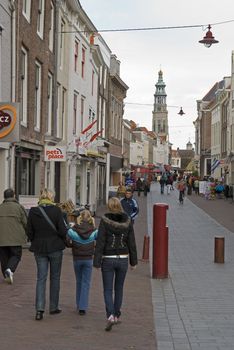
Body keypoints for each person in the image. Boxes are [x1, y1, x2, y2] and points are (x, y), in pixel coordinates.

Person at [93, 197, 138, 331]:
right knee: (119, 288)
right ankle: (117, 315)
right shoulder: (127, 220)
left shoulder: (105, 220)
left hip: (108, 258)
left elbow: (100, 241)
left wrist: (96, 261)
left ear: (109, 206)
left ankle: (110, 315)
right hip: (123, 258)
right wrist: (133, 261)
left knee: (107, 289)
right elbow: (131, 241)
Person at [26, 189, 67, 321]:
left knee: (41, 278)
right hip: (55, 247)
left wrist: (35, 240)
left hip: (39, 248)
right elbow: (62, 230)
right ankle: (53, 306)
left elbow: (29, 231)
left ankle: (39, 309)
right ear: (51, 197)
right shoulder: (56, 211)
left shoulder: (33, 211)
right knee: (55, 277)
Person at [66, 209, 98, 315]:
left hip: (77, 259)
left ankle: (78, 304)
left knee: (79, 281)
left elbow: (67, 239)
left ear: (79, 218)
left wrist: (72, 245)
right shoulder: (94, 230)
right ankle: (83, 307)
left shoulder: (73, 230)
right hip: (88, 259)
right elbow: (100, 240)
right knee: (86, 283)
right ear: (90, 218)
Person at [0, 188, 27, 284]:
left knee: (4, 257)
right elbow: (25, 222)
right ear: (13, 195)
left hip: (1, 238)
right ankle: (10, 270)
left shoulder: (0, 207)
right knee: (16, 254)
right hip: (16, 237)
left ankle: (6, 275)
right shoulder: (19, 207)